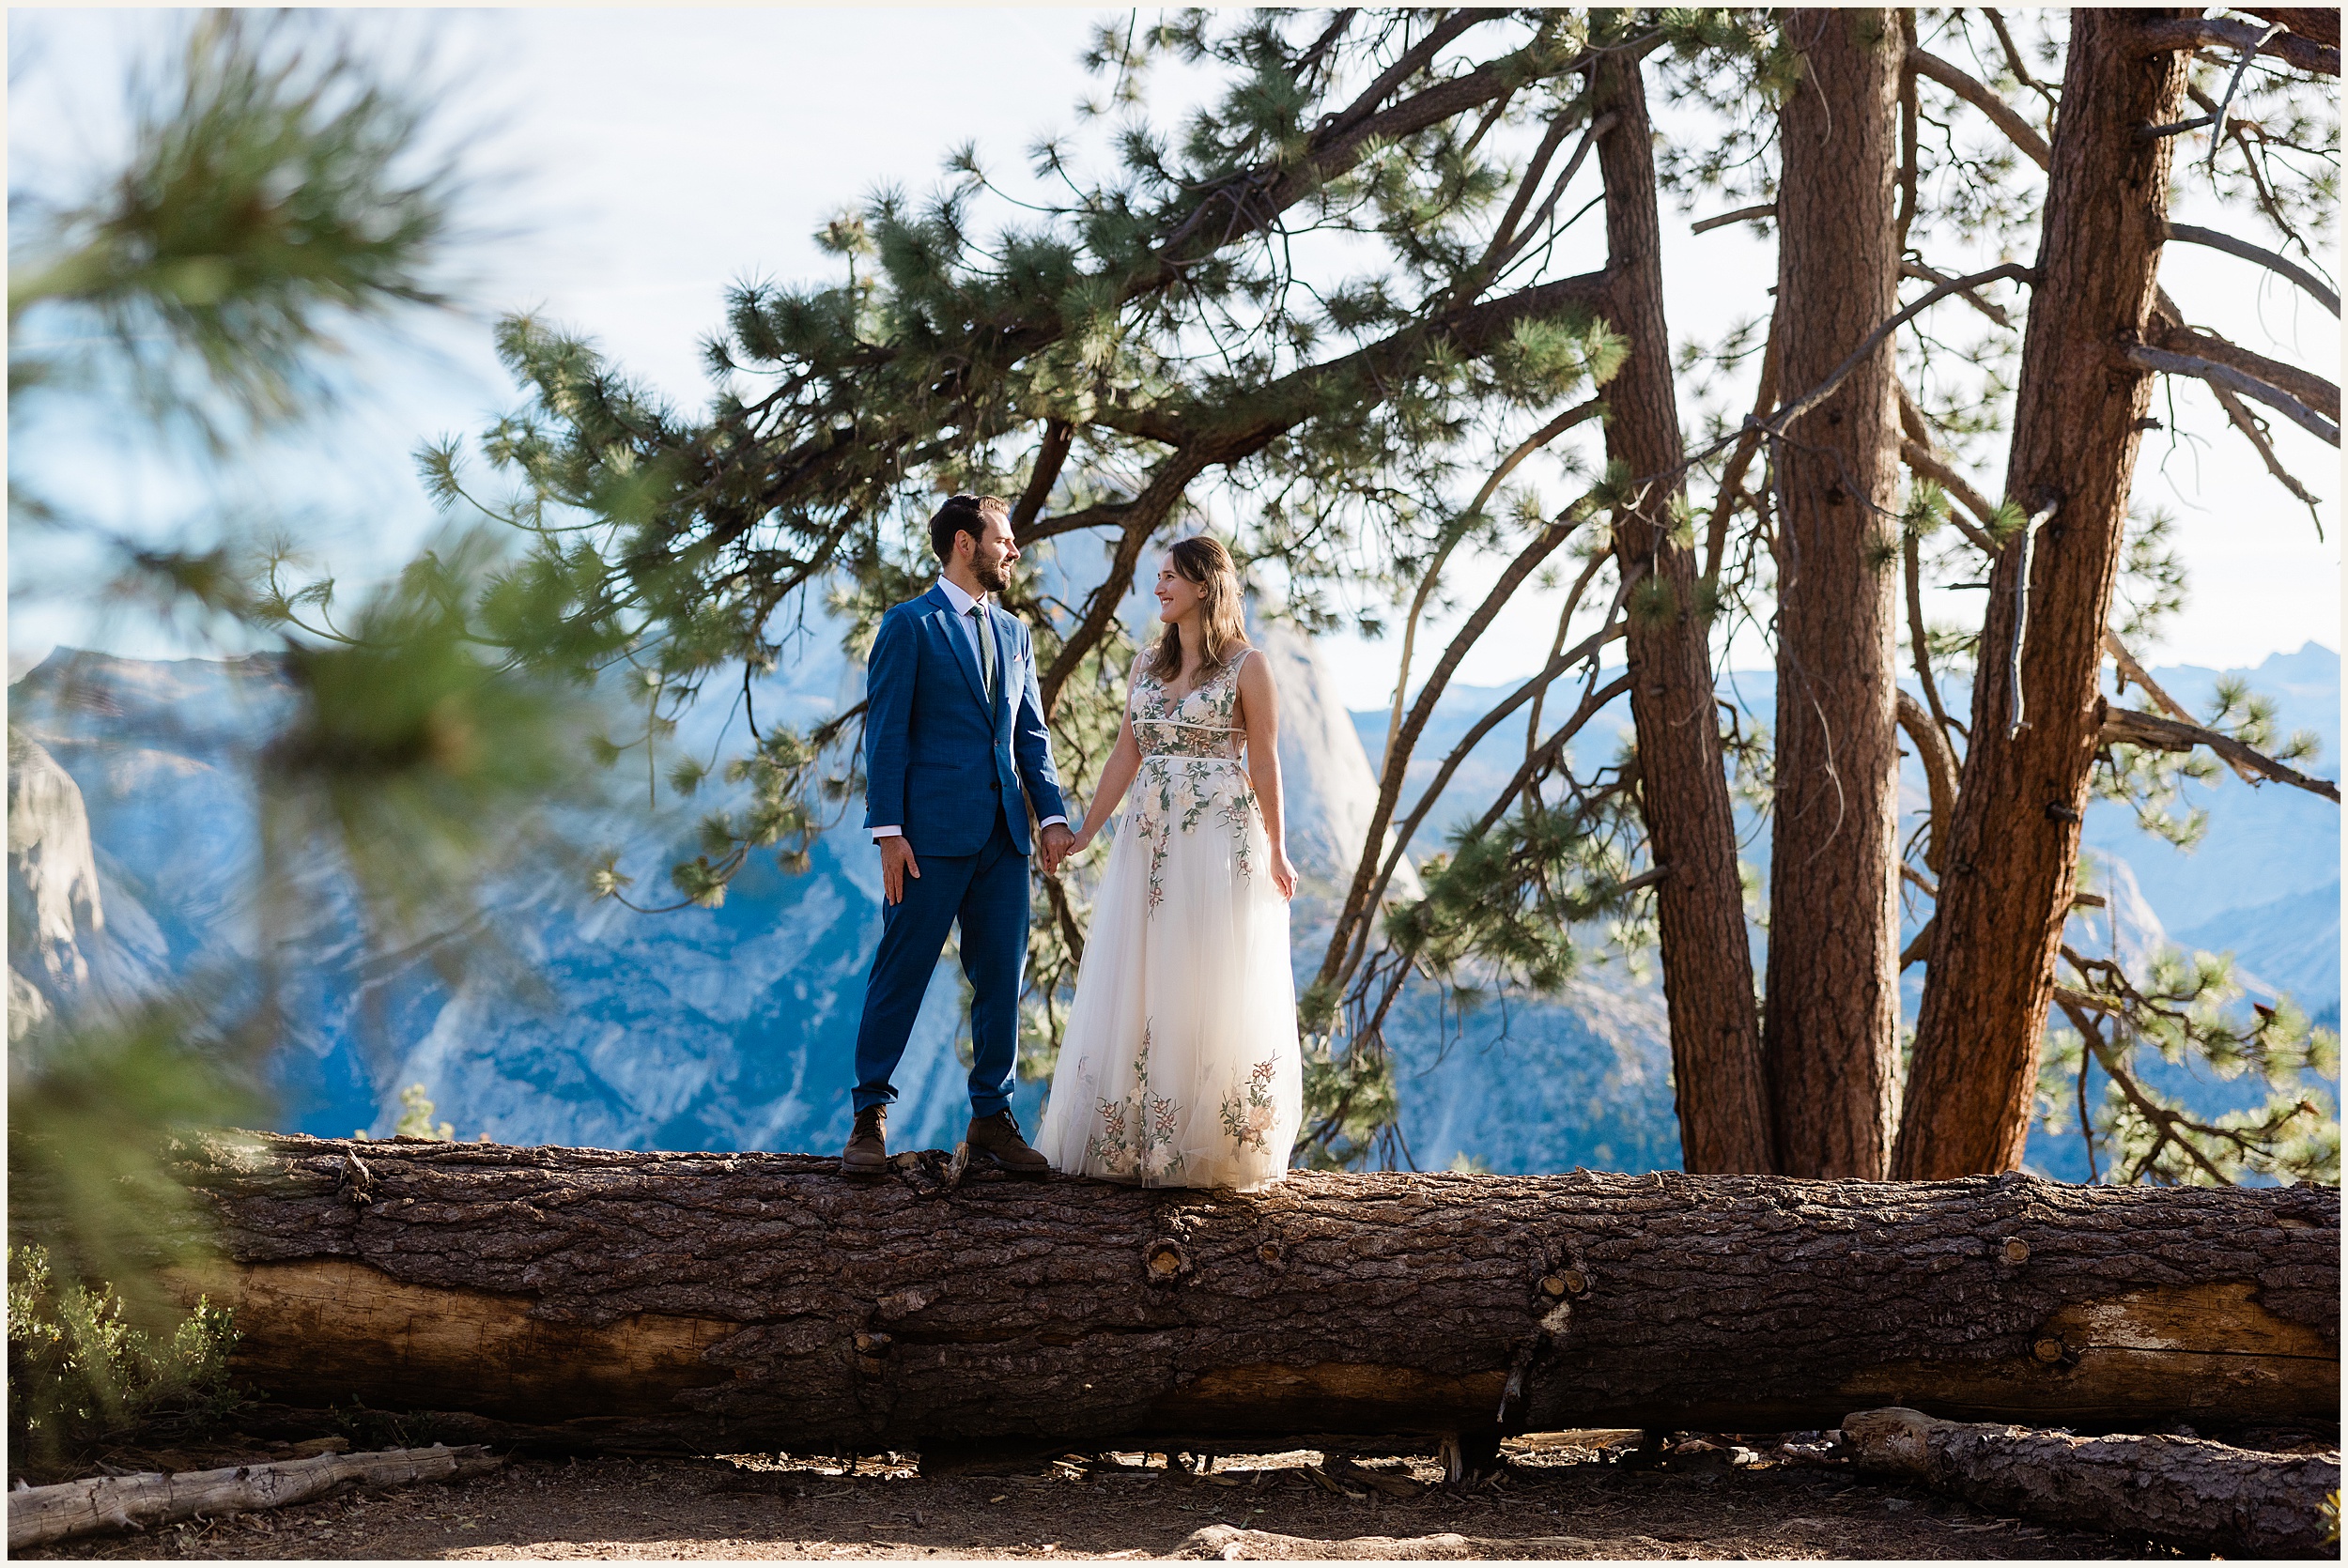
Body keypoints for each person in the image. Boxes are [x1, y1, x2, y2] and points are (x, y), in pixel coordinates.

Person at [1034, 536, 1303, 1191]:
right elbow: (1126, 754)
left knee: (1205, 974)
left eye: (1169, 578)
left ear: (1205, 586)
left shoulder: (1248, 666)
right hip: (1149, 842)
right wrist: (1083, 832)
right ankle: (1135, 1142)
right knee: (1146, 972)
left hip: (1218, 839)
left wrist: (1277, 848)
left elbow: (1264, 762)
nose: (1158, 589)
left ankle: (1206, 1142)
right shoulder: (1145, 665)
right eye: (1156, 577)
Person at [844, 494, 1074, 1177]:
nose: (1015, 550)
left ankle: (993, 1118)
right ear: (965, 545)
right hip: (926, 840)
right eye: (1004, 539)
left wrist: (1053, 816)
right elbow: (885, 735)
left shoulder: (1015, 634)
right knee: (902, 973)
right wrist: (889, 833)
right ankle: (868, 1117)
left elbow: (1030, 734)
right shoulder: (908, 626)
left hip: (1004, 836)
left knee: (1002, 977)